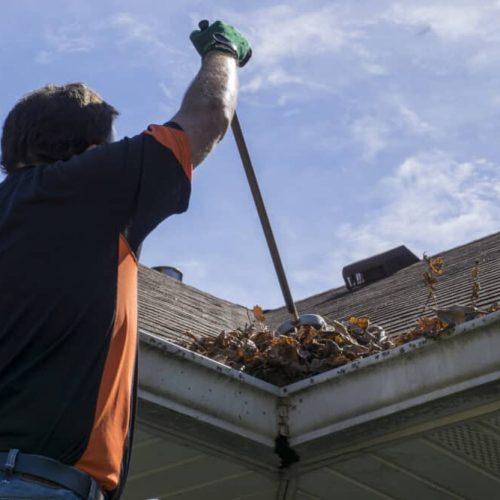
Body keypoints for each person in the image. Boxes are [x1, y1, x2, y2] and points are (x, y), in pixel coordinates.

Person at [0, 20, 251, 499]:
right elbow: (208, 115)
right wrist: (224, 53)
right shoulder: (90, 183)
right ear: (93, 152)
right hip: (36, 485)